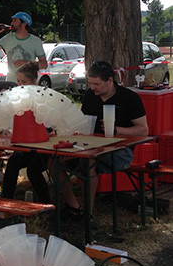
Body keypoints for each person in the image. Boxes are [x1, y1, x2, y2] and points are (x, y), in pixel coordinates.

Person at [59, 60, 148, 218]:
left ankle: (87, 215)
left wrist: (116, 130)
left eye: (97, 84)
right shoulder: (90, 95)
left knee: (88, 162)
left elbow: (143, 130)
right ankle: (73, 206)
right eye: (90, 83)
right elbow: (84, 122)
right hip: (91, 145)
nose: (92, 87)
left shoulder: (129, 97)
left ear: (110, 81)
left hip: (122, 151)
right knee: (54, 162)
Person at [1, 61, 52, 203]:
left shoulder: (43, 97)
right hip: (26, 144)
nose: (19, 85)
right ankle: (5, 203)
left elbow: (50, 125)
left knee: (33, 170)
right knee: (12, 163)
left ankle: (47, 204)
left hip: (43, 146)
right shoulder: (19, 98)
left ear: (34, 81)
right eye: (18, 81)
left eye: (23, 82)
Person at [0, 11, 47, 82]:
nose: (11, 23)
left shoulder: (35, 41)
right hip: (10, 83)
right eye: (12, 21)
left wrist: (28, 64)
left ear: (24, 24)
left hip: (28, 84)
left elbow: (44, 65)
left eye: (15, 21)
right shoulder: (8, 38)